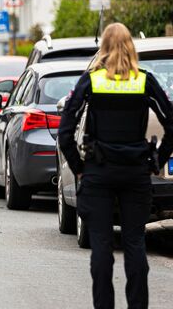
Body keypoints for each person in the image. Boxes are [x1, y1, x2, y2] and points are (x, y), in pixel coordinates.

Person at [58, 23, 173, 309]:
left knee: (101, 246)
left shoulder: (91, 81)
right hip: (136, 173)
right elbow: (171, 124)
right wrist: (157, 161)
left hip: (98, 172)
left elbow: (65, 131)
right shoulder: (144, 81)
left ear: (104, 48)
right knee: (135, 243)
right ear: (131, 47)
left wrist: (79, 166)